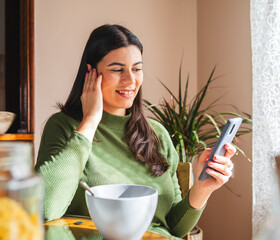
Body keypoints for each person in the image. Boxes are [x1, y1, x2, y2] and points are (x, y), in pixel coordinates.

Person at [35, 24, 235, 239]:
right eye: (117, 69)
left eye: (137, 68)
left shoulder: (157, 134)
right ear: (90, 73)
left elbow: (174, 228)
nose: (130, 80)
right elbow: (45, 209)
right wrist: (91, 120)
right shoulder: (64, 127)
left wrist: (203, 189)